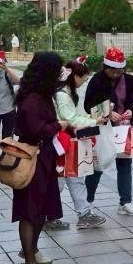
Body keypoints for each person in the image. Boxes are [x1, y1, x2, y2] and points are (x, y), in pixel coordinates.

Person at [10, 51, 66, 264]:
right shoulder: (33, 98)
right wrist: (59, 125)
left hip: (45, 157)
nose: (61, 75)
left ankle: (32, 249)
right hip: (32, 159)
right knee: (29, 209)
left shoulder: (42, 94)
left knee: (42, 207)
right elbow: (36, 130)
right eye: (57, 70)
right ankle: (29, 262)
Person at [83, 46, 133, 217]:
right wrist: (108, 113)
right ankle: (87, 202)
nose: (117, 74)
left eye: (120, 71)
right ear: (106, 68)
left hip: (124, 129)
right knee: (98, 165)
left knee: (125, 165)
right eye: (113, 71)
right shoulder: (96, 81)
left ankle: (125, 202)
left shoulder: (130, 81)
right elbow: (88, 106)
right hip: (103, 130)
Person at [55, 58, 108, 230]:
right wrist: (94, 120)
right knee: (60, 181)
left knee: (74, 178)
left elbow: (74, 116)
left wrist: (92, 119)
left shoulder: (67, 93)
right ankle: (48, 215)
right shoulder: (63, 95)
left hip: (67, 142)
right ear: (74, 76)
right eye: (83, 78)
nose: (84, 81)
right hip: (61, 143)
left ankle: (84, 213)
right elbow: (70, 119)